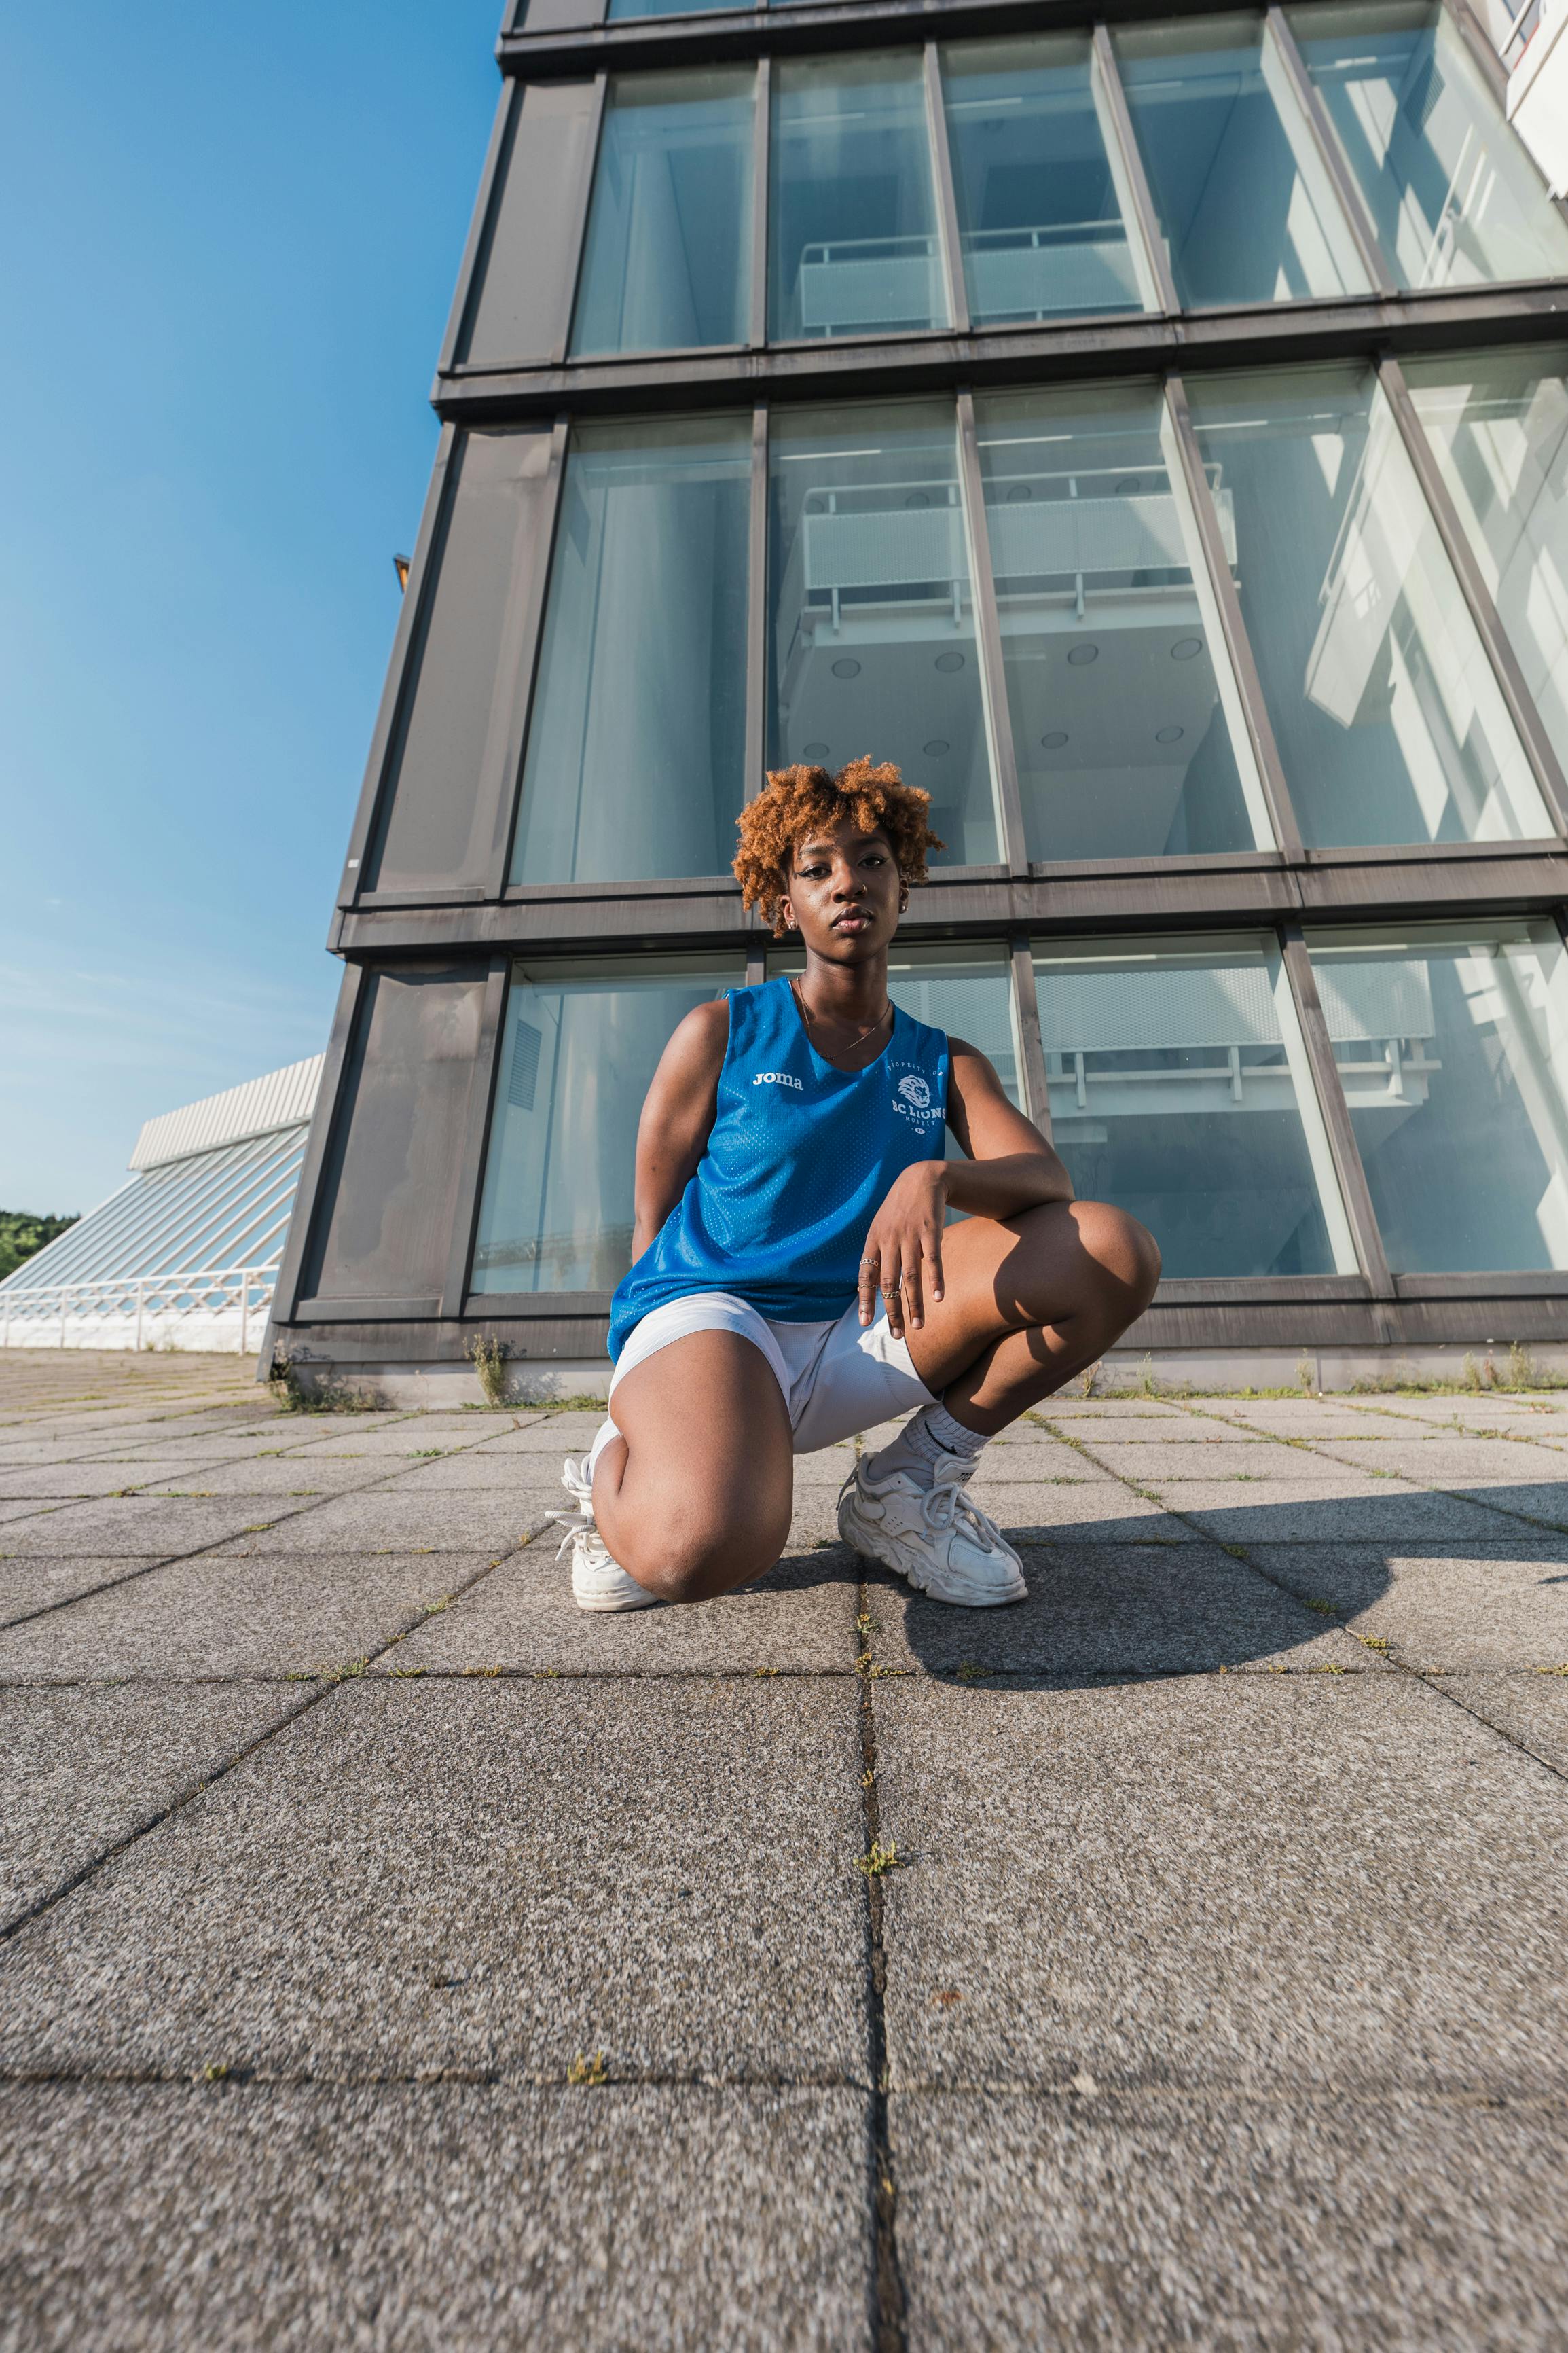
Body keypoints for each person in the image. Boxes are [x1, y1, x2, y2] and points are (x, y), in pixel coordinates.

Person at [551, 757, 1161, 1613]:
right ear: (783, 898)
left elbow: (1045, 1179)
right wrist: (659, 1386)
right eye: (817, 868)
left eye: (871, 860)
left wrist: (935, 1172)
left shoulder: (939, 1058)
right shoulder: (720, 1030)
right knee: (701, 1550)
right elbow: (650, 1225)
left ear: (901, 886)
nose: (848, 883)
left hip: (865, 1323)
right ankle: (621, 1474)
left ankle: (906, 1486)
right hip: (718, 1317)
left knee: (1107, 1250)